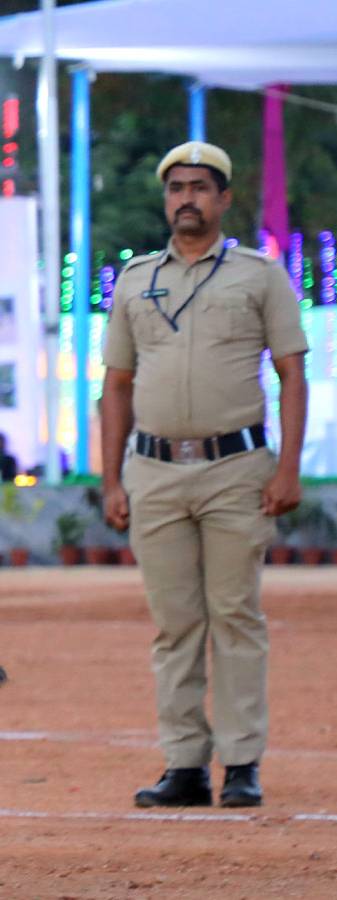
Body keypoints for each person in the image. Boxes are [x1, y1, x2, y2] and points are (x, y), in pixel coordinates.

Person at [100, 141, 308, 810]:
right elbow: (117, 386)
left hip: (235, 470)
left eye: (199, 187)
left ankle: (242, 763)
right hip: (154, 472)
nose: (185, 198)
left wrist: (287, 468)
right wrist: (111, 480)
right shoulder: (133, 280)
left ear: (223, 199)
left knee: (235, 615)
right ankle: (185, 764)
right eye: (176, 188)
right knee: (175, 622)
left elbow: (292, 376)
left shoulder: (259, 276)